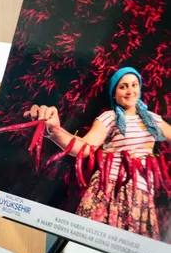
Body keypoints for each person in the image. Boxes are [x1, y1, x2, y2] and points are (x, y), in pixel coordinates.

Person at [26, 67, 171, 239]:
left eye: (134, 85)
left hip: (141, 196)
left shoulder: (153, 120)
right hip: (109, 189)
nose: (130, 90)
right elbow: (83, 148)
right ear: (114, 94)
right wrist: (55, 131)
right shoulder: (111, 117)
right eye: (123, 86)